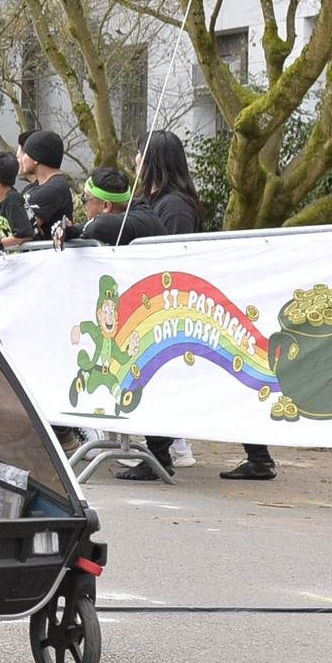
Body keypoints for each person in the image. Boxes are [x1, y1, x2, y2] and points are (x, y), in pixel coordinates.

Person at [115, 129, 211, 484]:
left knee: (159, 376)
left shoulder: (174, 206)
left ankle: (159, 455)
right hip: (151, 304)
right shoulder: (150, 201)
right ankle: (160, 453)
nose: (135, 160)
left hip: (168, 305)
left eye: (140, 153)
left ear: (152, 159)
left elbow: (170, 255)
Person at [17, 129, 74, 238]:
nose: (21, 159)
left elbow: (20, 228)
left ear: (36, 159)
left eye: (26, 153)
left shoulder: (53, 188)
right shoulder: (34, 187)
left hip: (45, 249)